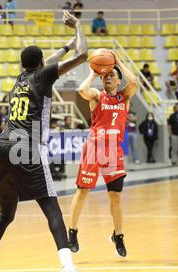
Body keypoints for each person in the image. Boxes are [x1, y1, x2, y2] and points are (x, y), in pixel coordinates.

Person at [0, 10, 99, 272]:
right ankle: (67, 266)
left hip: (4, 145)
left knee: (5, 215)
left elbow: (50, 61)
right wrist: (78, 27)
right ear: (40, 64)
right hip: (28, 145)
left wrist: (64, 45)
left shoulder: (21, 78)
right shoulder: (42, 77)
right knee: (51, 206)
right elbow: (83, 55)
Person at [67, 51, 138, 258]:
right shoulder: (97, 96)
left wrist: (118, 62)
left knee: (115, 196)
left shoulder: (124, 96)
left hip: (114, 151)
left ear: (118, 80)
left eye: (111, 76)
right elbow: (81, 89)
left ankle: (119, 235)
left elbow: (133, 81)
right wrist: (94, 73)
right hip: (93, 149)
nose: (107, 79)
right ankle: (72, 232)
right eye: (105, 77)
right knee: (83, 191)